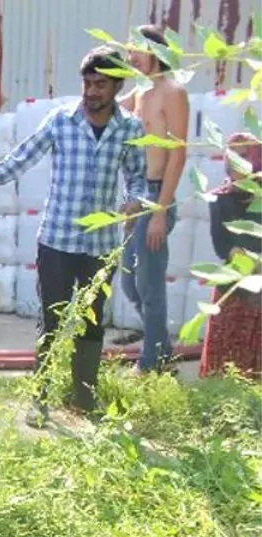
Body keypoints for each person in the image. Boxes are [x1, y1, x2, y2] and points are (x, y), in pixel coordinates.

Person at [0, 47, 148, 426]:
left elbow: (138, 177)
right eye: (87, 82)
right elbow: (18, 160)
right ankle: (41, 398)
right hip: (57, 240)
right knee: (51, 321)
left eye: (100, 84)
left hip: (99, 244)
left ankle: (84, 397)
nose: (91, 91)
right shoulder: (61, 121)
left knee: (92, 320)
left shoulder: (129, 128)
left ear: (117, 85)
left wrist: (134, 202)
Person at [119, 23, 190, 374]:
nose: (130, 57)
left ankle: (151, 366)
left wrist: (161, 211)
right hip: (133, 196)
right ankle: (162, 353)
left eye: (135, 50)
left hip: (156, 195)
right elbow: (108, 109)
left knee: (149, 284)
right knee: (130, 282)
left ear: (155, 51)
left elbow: (178, 153)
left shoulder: (172, 90)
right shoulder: (139, 91)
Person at [201, 133, 262, 378]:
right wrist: (238, 255)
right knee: (222, 362)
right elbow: (220, 245)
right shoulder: (219, 197)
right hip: (232, 284)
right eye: (233, 155)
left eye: (245, 156)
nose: (238, 162)